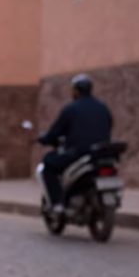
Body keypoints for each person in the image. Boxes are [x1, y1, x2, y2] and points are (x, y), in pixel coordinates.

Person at [37, 74, 113, 210]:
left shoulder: (70, 109)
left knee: (49, 162)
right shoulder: (103, 108)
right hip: (100, 154)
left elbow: (55, 132)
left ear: (76, 91)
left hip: (78, 153)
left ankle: (57, 203)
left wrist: (45, 139)